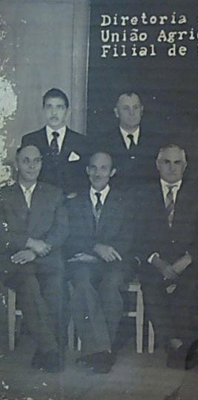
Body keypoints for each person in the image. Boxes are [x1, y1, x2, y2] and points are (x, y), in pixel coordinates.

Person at [135, 144, 198, 370]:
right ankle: (178, 342)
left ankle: (177, 343)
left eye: (177, 163)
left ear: (185, 167)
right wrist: (156, 260)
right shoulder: (143, 194)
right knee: (150, 287)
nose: (172, 168)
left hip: (187, 262)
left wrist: (187, 259)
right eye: (166, 162)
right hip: (155, 262)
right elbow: (136, 235)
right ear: (158, 165)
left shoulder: (197, 193)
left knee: (188, 287)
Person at [0, 145, 68, 372]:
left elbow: (61, 231)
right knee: (28, 283)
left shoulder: (54, 193)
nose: (31, 166)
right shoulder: (4, 195)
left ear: (41, 163)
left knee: (56, 284)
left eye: (36, 161)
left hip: (45, 258)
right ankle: (51, 350)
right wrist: (29, 243)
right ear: (17, 164)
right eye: (26, 161)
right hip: (14, 260)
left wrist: (36, 251)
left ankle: (45, 349)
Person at [64, 151, 134, 374]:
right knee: (82, 285)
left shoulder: (124, 201)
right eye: (93, 167)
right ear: (87, 170)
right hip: (82, 262)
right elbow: (70, 236)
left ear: (112, 172)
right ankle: (103, 352)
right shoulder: (74, 202)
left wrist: (96, 253)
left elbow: (128, 239)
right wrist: (95, 247)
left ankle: (96, 351)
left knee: (111, 286)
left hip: (114, 263)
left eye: (103, 168)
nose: (97, 173)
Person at [21, 88, 88, 197]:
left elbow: (85, 176)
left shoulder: (81, 141)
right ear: (43, 110)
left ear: (67, 112)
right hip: (40, 202)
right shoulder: (30, 140)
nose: (54, 112)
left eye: (59, 107)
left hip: (70, 203)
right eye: (49, 107)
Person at [93, 91, 162, 189]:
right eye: (126, 108)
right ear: (117, 112)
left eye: (136, 108)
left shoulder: (156, 141)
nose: (132, 113)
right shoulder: (103, 142)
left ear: (142, 110)